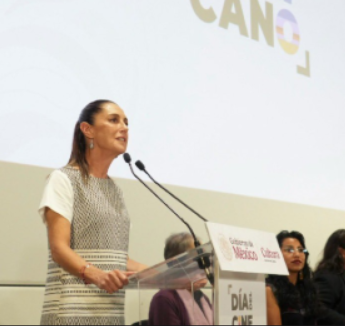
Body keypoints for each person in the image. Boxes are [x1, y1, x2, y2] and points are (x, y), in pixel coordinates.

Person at [38, 100, 148, 325]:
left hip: (110, 315)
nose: (124, 127)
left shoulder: (115, 190)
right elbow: (59, 249)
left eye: (126, 122)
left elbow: (117, 258)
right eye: (114, 120)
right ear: (87, 130)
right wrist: (97, 275)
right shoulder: (64, 179)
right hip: (71, 314)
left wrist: (168, 274)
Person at [148, 233, 214, 325]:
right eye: (198, 259)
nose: (204, 264)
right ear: (177, 263)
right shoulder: (164, 299)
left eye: (204, 258)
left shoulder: (201, 297)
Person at [265, 230, 321, 325]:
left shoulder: (308, 288)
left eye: (300, 250)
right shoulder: (270, 290)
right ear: (276, 254)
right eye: (289, 250)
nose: (297, 254)